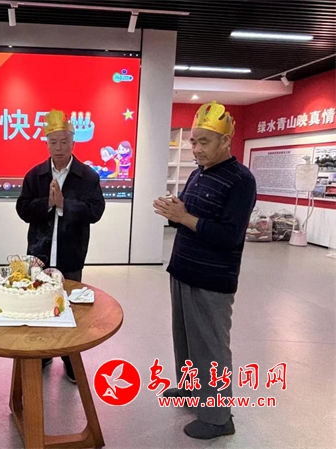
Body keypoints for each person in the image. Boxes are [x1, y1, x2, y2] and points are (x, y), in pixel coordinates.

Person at [153, 101, 256, 440]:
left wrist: (184, 217)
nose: (196, 149)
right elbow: (190, 216)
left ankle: (218, 418)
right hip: (183, 268)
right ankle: (191, 389)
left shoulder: (241, 180)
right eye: (193, 141)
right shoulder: (200, 172)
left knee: (210, 346)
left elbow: (229, 235)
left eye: (204, 142)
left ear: (226, 141)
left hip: (212, 278)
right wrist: (174, 212)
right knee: (184, 338)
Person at [16, 109, 105, 383]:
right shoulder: (36, 175)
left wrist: (66, 205)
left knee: (70, 307)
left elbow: (96, 211)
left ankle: (69, 358)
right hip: (39, 254)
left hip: (71, 254)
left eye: (64, 141)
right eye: (53, 142)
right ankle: (43, 353)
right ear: (46, 144)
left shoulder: (87, 176)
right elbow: (22, 209)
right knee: (40, 304)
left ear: (73, 143)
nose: (58, 147)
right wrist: (47, 203)